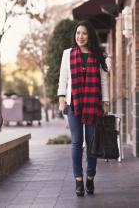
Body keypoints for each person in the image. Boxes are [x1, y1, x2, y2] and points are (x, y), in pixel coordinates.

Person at [57, 20, 110, 197]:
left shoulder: (97, 55)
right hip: (74, 104)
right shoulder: (68, 54)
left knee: (92, 143)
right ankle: (78, 180)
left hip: (93, 104)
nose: (80, 36)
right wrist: (61, 98)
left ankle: (90, 177)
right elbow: (63, 78)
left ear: (90, 36)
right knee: (77, 142)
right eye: (78, 33)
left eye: (84, 33)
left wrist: (106, 101)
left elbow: (103, 81)